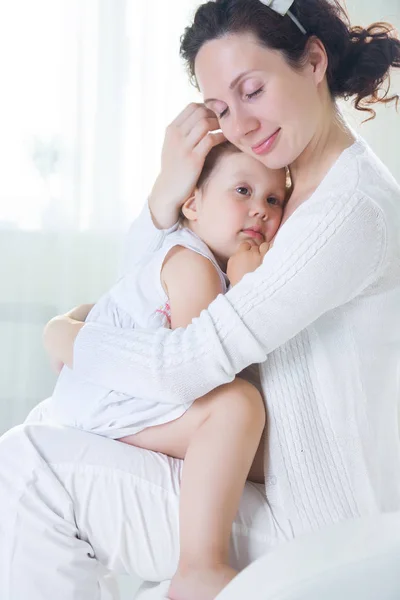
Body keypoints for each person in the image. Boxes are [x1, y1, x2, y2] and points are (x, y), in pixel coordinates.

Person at [0, 1, 399, 599]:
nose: (239, 123)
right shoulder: (292, 190)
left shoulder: (345, 210)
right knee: (42, 449)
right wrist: (166, 194)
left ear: (313, 60)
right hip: (271, 484)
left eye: (253, 90)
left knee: (29, 467)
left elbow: (186, 364)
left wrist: (66, 336)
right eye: (221, 108)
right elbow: (150, 292)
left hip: (317, 514)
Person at [44, 141, 287, 600]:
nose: (260, 210)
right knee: (237, 406)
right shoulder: (193, 265)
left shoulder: (193, 259)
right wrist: (247, 286)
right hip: (108, 405)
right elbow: (205, 371)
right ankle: (199, 566)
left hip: (115, 395)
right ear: (193, 205)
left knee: (247, 436)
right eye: (243, 190)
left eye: (273, 199)